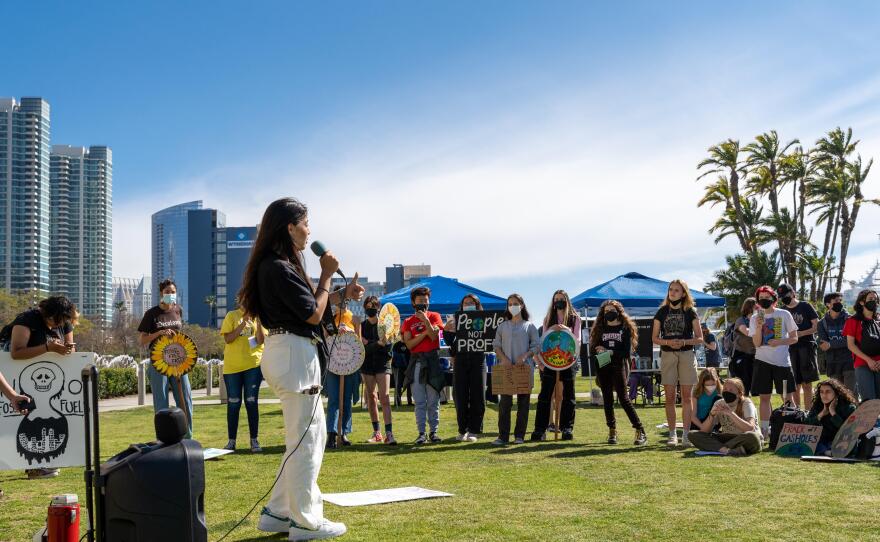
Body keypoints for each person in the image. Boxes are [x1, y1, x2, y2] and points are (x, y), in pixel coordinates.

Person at [239, 197, 363, 539]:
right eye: (306, 223)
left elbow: (309, 304)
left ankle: (278, 513)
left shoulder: (272, 265)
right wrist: (325, 274)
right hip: (294, 354)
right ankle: (306, 521)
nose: (310, 231)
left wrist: (339, 293)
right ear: (289, 227)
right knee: (308, 439)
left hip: (285, 351)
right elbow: (311, 313)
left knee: (302, 436)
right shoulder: (278, 266)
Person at [1, 295, 78, 479]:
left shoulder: (64, 322)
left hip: (43, 375)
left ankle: (39, 464)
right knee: (15, 418)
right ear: (47, 313)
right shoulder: (27, 320)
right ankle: (28, 463)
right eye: (55, 320)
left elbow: (71, 349)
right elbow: (16, 352)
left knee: (42, 417)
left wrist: (67, 349)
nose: (56, 325)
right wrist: (48, 348)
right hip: (12, 372)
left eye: (62, 321)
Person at [138, 279, 194, 439]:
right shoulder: (151, 314)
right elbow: (142, 340)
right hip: (158, 362)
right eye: (167, 292)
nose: (170, 294)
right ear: (161, 293)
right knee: (161, 401)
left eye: (173, 291)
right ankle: (163, 438)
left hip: (178, 361)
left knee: (185, 398)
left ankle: (187, 436)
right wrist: (159, 333)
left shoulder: (178, 310)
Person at [652, 279, 702, 447]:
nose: (672, 292)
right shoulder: (661, 311)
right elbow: (654, 338)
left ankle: (686, 435)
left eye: (677, 290)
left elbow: (699, 338)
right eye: (671, 289)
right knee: (670, 398)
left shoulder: (690, 311)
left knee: (687, 398)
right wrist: (668, 343)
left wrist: (684, 341)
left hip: (687, 354)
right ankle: (672, 434)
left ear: (683, 293)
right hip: (668, 355)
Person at [589, 300, 647, 445]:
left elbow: (626, 353)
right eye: (606, 311)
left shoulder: (625, 328)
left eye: (612, 310)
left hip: (618, 365)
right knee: (607, 399)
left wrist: (611, 351)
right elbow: (592, 348)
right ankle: (612, 430)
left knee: (623, 398)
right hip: (603, 364)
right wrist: (598, 349)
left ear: (619, 311)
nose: (609, 313)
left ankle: (640, 430)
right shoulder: (600, 328)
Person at [749, 285, 798, 440]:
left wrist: (780, 341)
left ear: (774, 298)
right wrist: (758, 327)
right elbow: (756, 343)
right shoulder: (754, 317)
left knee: (787, 397)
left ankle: (792, 429)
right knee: (764, 398)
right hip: (762, 362)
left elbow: (794, 338)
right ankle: (764, 431)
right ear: (757, 300)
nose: (764, 300)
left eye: (767, 297)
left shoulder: (784, 314)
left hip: (782, 363)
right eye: (761, 298)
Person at [533, 290, 581, 441]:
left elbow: (577, 340)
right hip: (550, 361)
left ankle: (567, 428)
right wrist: (540, 363)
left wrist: (567, 331)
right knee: (545, 396)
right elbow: (544, 341)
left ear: (566, 300)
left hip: (568, 361)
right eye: (556, 299)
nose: (559, 301)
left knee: (569, 396)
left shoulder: (575, 319)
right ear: (553, 302)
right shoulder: (548, 318)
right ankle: (540, 430)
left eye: (561, 299)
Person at [219, 303, 266, 452]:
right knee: (234, 403)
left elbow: (260, 340)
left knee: (251, 402)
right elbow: (228, 339)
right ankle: (231, 442)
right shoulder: (231, 315)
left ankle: (254, 440)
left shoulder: (260, 317)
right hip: (232, 368)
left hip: (253, 365)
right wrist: (243, 324)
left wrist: (258, 322)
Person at [401, 286, 445, 444]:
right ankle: (421, 433)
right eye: (420, 301)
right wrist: (425, 333)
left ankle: (434, 432)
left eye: (426, 301)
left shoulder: (435, 316)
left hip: (433, 360)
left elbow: (435, 337)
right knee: (419, 401)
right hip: (417, 362)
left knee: (434, 399)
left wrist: (426, 321)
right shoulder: (407, 322)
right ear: (413, 302)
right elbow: (410, 345)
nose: (423, 304)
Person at [493, 294, 539, 445]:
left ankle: (519, 436)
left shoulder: (529, 326)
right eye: (510, 304)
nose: (513, 306)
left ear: (522, 305)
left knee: (523, 404)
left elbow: (536, 346)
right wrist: (503, 358)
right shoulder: (502, 326)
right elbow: (496, 345)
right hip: (506, 369)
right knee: (504, 404)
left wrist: (525, 356)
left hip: (524, 370)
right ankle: (503, 436)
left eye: (516, 303)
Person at [443, 294, 487, 443]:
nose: (468, 304)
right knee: (460, 395)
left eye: (471, 302)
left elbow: (489, 338)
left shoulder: (484, 319)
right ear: (461, 306)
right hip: (460, 360)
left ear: (477, 304)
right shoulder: (454, 320)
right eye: (465, 303)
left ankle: (474, 430)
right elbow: (449, 342)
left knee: (478, 395)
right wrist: (447, 330)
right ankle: (462, 429)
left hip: (478, 360)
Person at [689, 377, 762, 456]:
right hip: (728, 437)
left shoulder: (746, 403)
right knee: (692, 434)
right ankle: (727, 450)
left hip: (744, 438)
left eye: (731, 390)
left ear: (739, 394)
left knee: (752, 436)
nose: (727, 392)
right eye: (725, 389)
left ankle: (718, 448)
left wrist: (731, 413)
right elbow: (704, 431)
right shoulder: (719, 403)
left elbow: (750, 428)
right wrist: (712, 415)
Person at [359, 296, 396, 445]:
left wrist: (370, 343)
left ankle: (389, 434)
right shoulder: (361, 326)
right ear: (364, 308)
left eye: (373, 306)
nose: (371, 309)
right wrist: (377, 344)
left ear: (379, 308)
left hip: (383, 364)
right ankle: (377, 433)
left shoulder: (385, 325)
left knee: (385, 397)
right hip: (367, 365)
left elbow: (388, 348)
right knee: (371, 397)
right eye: (368, 306)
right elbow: (362, 349)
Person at [776, 283, 820, 408]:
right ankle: (798, 413)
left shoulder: (805, 306)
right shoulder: (782, 311)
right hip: (790, 349)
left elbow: (816, 326)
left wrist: (800, 334)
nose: (784, 297)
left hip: (807, 347)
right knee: (794, 384)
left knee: (807, 384)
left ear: (792, 293)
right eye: (781, 296)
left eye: (786, 294)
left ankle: (808, 413)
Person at [324, 303, 361, 450]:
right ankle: (331, 434)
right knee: (334, 399)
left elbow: (359, 342)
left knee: (346, 400)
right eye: (339, 301)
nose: (342, 304)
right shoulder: (330, 318)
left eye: (345, 301)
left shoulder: (354, 318)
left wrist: (352, 331)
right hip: (333, 364)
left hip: (350, 364)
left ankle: (344, 432)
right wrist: (333, 332)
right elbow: (324, 338)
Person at [805, 379, 858, 455]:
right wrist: (821, 414)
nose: (824, 395)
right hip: (822, 441)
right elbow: (806, 425)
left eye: (828, 392)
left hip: (840, 440)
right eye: (821, 392)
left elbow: (848, 430)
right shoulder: (817, 405)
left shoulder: (849, 407)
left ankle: (826, 452)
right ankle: (826, 452)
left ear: (836, 393)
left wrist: (833, 413)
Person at [844, 289, 880, 401]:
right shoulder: (852, 321)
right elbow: (851, 345)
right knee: (869, 400)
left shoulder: (878, 321)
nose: (873, 301)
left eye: (876, 299)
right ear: (861, 302)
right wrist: (869, 360)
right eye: (870, 299)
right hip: (862, 364)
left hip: (879, 364)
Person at [818, 292, 856, 396]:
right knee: (837, 395)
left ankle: (854, 413)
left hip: (850, 362)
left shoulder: (850, 319)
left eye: (840, 301)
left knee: (851, 394)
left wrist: (831, 344)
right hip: (833, 364)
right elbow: (823, 345)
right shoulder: (822, 323)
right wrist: (838, 343)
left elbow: (851, 341)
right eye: (835, 301)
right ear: (827, 304)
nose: (839, 303)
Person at [728, 298, 757, 395]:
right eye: (756, 306)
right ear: (750, 307)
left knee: (757, 387)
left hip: (755, 356)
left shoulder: (758, 321)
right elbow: (747, 332)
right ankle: (741, 408)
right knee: (742, 388)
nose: (759, 308)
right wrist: (760, 328)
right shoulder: (741, 320)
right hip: (741, 356)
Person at [690, 368, 722, 432]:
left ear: (717, 381)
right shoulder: (696, 392)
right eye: (707, 385)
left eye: (713, 384)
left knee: (718, 398)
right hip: (699, 423)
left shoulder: (720, 391)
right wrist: (703, 427)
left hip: (714, 422)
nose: (710, 387)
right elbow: (693, 416)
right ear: (702, 383)